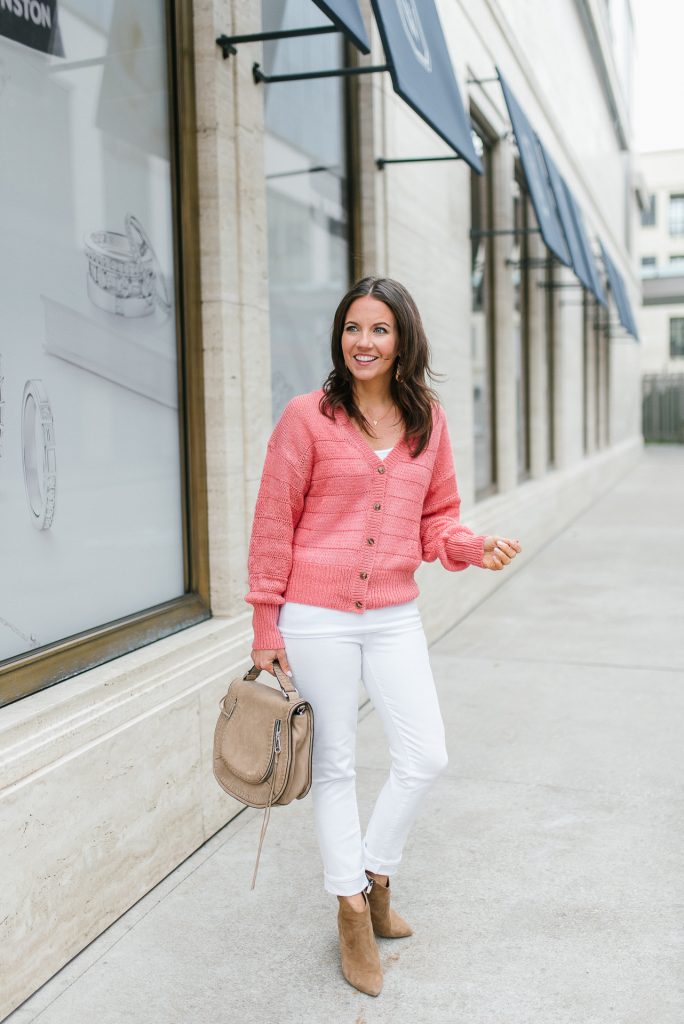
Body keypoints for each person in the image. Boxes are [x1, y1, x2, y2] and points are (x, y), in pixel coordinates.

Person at [245, 276, 521, 997]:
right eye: (352, 329)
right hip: (316, 615)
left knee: (425, 754)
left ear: (403, 341)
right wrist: (264, 623)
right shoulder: (307, 418)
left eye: (379, 330)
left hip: (395, 611)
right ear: (340, 338)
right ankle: (350, 911)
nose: (363, 342)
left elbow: (439, 518)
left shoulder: (427, 419)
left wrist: (468, 545)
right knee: (334, 766)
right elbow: (273, 522)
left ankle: (374, 876)